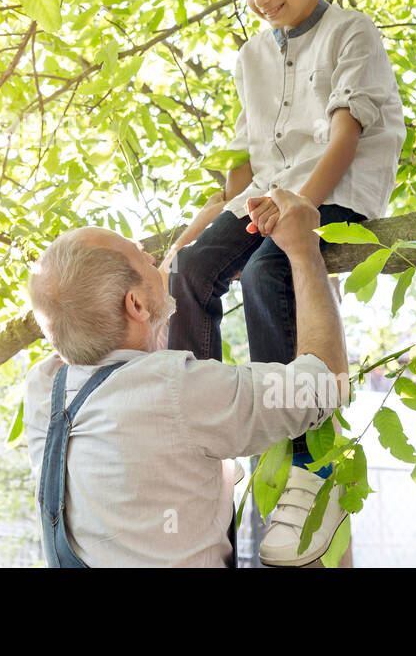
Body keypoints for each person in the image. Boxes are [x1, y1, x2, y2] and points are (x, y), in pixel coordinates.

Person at [159, 0, 405, 566]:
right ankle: (202, 422)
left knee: (272, 271)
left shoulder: (352, 32)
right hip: (264, 194)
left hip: (335, 190)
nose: (261, 0)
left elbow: (347, 136)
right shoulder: (249, 56)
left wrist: (299, 211)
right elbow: (241, 170)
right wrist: (192, 235)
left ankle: (307, 457)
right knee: (189, 270)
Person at [24, 188, 349, 567]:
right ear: (135, 304)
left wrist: (196, 238)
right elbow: (324, 384)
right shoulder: (174, 390)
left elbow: (138, 310)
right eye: (142, 256)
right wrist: (303, 250)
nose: (153, 257)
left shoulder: (45, 387)